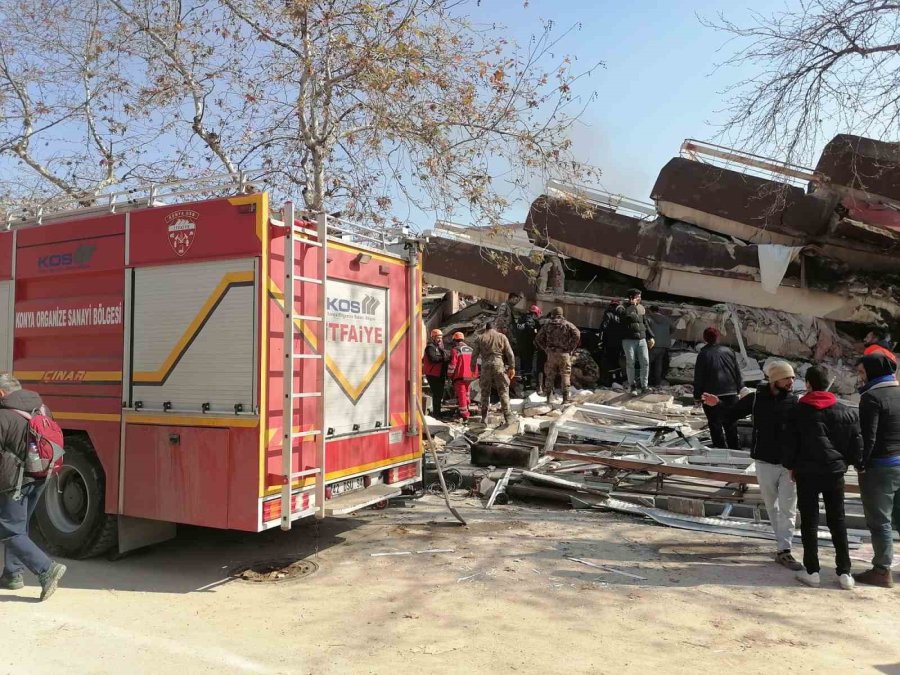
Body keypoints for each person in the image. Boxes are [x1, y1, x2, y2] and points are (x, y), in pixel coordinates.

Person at [703, 361, 802, 570]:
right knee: (772, 506)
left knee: (788, 508)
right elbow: (732, 414)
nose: (791, 381)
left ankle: (785, 550)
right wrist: (717, 405)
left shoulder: (794, 401)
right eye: (787, 378)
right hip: (764, 461)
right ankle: (781, 544)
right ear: (775, 380)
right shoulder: (756, 399)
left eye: (792, 378)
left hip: (788, 464)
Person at [782, 365, 861, 589]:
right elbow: (856, 442)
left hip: (806, 473)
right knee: (838, 520)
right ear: (829, 384)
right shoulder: (845, 411)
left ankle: (812, 571)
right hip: (834, 472)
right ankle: (845, 573)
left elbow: (789, 445)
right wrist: (851, 462)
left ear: (807, 384)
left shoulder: (797, 411)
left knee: (809, 521)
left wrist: (790, 466)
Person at [0, 374, 67, 601]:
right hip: (40, 475)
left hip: (13, 482)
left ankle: (46, 569)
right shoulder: (42, 409)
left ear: (1, 393)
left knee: (8, 530)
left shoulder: (3, 416)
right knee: (20, 525)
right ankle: (12, 574)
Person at [854, 352, 900, 588]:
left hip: (881, 467)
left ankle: (882, 570)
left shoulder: (872, 398)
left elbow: (868, 437)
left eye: (862, 372)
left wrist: (861, 463)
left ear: (872, 372)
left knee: (879, 521)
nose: (860, 377)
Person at [694, 326, 743, 449]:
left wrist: (697, 396)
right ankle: (735, 449)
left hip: (711, 395)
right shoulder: (729, 351)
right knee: (731, 424)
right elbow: (737, 372)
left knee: (715, 425)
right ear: (718, 337)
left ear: (705, 339)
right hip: (731, 393)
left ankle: (720, 451)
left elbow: (699, 377)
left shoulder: (703, 354)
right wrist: (740, 388)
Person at [472, 321, 516, 425]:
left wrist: (472, 368)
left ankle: (484, 418)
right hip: (498, 365)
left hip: (485, 366)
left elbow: (474, 355)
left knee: (485, 393)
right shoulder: (502, 337)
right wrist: (512, 367)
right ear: (494, 328)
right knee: (503, 391)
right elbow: (510, 354)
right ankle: (508, 417)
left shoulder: (480, 338)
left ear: (485, 328)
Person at [535, 307, 581, 404]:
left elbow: (538, 338)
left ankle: (548, 398)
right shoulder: (567, 324)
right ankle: (565, 399)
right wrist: (571, 348)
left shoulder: (547, 325)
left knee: (549, 375)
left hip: (551, 354)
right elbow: (577, 334)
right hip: (564, 353)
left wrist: (545, 348)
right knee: (565, 375)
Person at [616, 289, 656, 394]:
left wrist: (651, 336)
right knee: (631, 362)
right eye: (638, 296)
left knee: (645, 362)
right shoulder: (622, 307)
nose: (640, 298)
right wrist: (631, 306)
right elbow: (623, 318)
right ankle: (632, 386)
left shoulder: (641, 308)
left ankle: (644, 386)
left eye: (640, 296)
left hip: (641, 339)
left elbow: (645, 323)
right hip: (628, 340)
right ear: (631, 297)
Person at [447, 332, 477, 420]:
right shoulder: (470, 349)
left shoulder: (455, 350)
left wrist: (449, 374)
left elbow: (453, 364)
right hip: (470, 375)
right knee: (467, 393)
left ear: (454, 340)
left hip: (460, 375)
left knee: (462, 395)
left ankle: (464, 414)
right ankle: (467, 408)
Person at [422, 328, 449, 417]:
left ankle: (437, 412)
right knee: (437, 393)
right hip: (432, 374)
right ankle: (437, 413)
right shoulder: (430, 348)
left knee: (440, 394)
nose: (440, 339)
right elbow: (433, 359)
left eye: (441, 337)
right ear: (433, 338)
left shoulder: (440, 348)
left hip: (440, 374)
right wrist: (444, 359)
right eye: (438, 337)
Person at [646, 305, 674, 387]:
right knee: (659, 364)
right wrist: (666, 335)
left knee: (647, 364)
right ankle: (657, 383)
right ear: (659, 310)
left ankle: (645, 382)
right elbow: (673, 328)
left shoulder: (648, 318)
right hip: (664, 345)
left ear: (650, 310)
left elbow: (646, 329)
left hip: (653, 344)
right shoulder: (666, 319)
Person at [598, 299, 624, 386]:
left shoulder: (608, 314)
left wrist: (600, 340)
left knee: (609, 361)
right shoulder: (621, 316)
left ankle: (610, 381)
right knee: (616, 361)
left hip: (609, 343)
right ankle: (619, 380)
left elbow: (603, 327)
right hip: (619, 343)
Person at [515, 305, 542, 386]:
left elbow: (516, 331)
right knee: (528, 365)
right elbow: (535, 334)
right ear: (534, 314)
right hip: (528, 347)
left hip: (520, 346)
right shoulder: (532, 322)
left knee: (522, 363)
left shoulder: (520, 319)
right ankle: (527, 384)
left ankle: (522, 379)